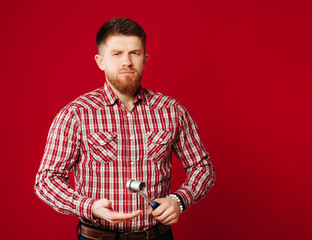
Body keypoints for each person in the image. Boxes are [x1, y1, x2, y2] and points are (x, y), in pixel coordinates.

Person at [34, 17, 215, 240]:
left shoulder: (171, 110)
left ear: (145, 59)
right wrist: (88, 206)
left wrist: (179, 200)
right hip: (97, 237)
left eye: (134, 53)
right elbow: (46, 180)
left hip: (157, 236)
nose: (127, 62)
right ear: (101, 61)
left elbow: (202, 167)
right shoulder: (76, 114)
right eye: (117, 53)